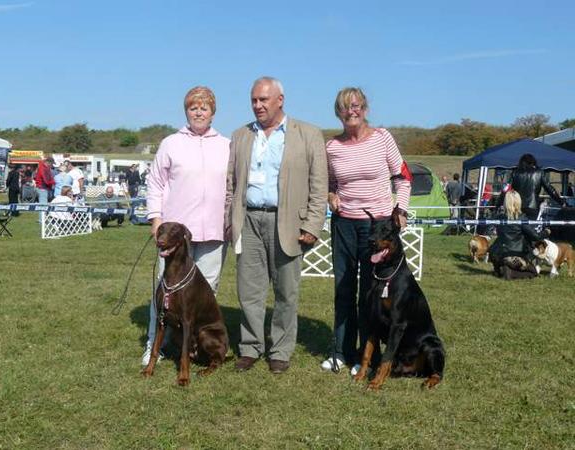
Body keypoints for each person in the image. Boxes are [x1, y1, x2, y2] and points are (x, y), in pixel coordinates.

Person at [225, 76, 328, 374]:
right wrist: (231, 219)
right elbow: (231, 183)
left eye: (263, 100)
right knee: (249, 292)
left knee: (286, 292)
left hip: (288, 223)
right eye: (254, 100)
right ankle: (250, 347)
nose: (258, 105)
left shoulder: (308, 134)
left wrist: (312, 224)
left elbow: (319, 185)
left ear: (280, 100)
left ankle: (280, 350)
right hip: (248, 221)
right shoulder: (240, 135)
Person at [320, 87, 411, 374]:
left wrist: (401, 209)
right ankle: (340, 352)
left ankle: (365, 356)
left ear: (365, 109)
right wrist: (330, 195)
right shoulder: (331, 147)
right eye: (345, 107)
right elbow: (329, 182)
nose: (351, 111)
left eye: (356, 105)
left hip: (378, 226)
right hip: (344, 224)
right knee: (343, 288)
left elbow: (403, 177)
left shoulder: (383, 138)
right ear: (338, 113)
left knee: (370, 292)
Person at [142, 86, 230, 366]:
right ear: (186, 112)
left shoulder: (226, 145)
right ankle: (155, 345)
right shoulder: (171, 143)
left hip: (214, 232)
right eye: (193, 108)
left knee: (206, 292)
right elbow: (155, 182)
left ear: (213, 112)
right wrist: (156, 218)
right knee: (166, 295)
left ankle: (193, 347)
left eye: (204, 108)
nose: (199, 112)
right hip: (176, 236)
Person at [489, 190, 548, 280]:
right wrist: (546, 232)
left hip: (496, 254)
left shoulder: (499, 217)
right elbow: (535, 236)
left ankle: (499, 270)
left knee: (503, 261)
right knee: (533, 272)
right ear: (518, 202)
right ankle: (511, 273)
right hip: (515, 256)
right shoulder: (521, 218)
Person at [500, 153, 566, 220]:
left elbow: (506, 189)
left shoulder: (515, 173)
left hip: (517, 206)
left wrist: (498, 204)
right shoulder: (539, 173)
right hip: (533, 207)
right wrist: (561, 202)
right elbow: (550, 190)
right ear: (533, 162)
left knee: (517, 225)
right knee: (531, 225)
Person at [34, 157, 55, 221]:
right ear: (49, 162)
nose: (52, 165)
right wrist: (53, 182)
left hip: (42, 188)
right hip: (42, 188)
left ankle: (43, 218)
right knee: (43, 205)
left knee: (43, 204)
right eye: (52, 164)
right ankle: (42, 220)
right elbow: (46, 180)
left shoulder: (44, 168)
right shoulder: (43, 168)